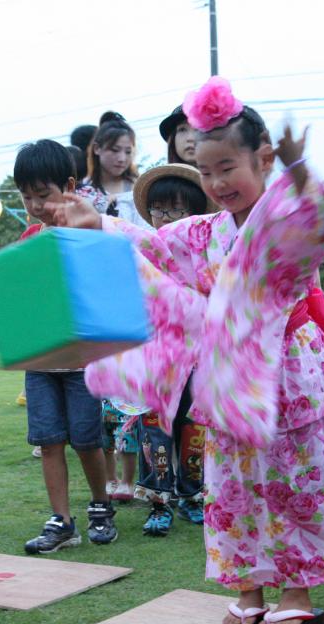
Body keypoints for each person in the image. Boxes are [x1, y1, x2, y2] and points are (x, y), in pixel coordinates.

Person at [79, 76, 324, 624]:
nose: (215, 182)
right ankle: (249, 588)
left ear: (262, 157)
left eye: (227, 167)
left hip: (289, 371)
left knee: (294, 479)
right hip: (229, 375)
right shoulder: (202, 230)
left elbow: (314, 217)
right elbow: (149, 247)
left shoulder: (281, 215)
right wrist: (98, 225)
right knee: (231, 486)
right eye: (206, 171)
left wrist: (300, 171)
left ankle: (297, 592)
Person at [12, 139, 117, 553]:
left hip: (81, 362)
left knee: (87, 440)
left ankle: (100, 506)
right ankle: (62, 520)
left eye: (43, 194)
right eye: (27, 196)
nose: (35, 205)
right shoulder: (29, 238)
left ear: (69, 185)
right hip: (41, 361)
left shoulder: (89, 232)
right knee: (48, 440)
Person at [129, 163, 212, 534]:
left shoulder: (206, 253)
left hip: (198, 356)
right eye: (159, 209)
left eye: (175, 209)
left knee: (194, 429)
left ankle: (192, 496)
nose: (164, 217)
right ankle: (159, 502)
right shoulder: (142, 251)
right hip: (156, 356)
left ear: (194, 213)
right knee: (155, 430)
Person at [76, 111, 149, 229]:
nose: (122, 158)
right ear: (97, 148)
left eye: (128, 152)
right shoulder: (83, 190)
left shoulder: (141, 189)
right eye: (115, 150)